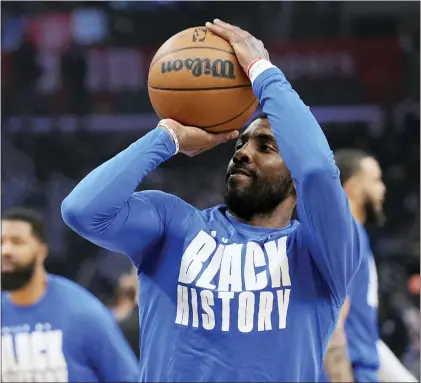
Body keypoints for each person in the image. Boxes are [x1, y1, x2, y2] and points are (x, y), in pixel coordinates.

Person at [62, 19, 361, 382]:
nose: (243, 153)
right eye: (241, 143)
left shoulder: (318, 252)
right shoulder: (172, 224)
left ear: (295, 179)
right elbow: (82, 211)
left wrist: (262, 71)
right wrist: (167, 137)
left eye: (265, 147)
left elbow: (316, 169)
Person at [1, 207, 139, 382]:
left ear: (42, 252)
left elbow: (126, 377)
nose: (5, 251)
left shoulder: (82, 312)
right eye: (1, 242)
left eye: (17, 242)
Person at [323, 149, 418, 383]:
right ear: (353, 187)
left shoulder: (356, 234)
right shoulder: (344, 233)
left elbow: (362, 326)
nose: (382, 189)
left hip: (363, 364)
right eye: (375, 180)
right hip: (349, 368)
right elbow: (335, 316)